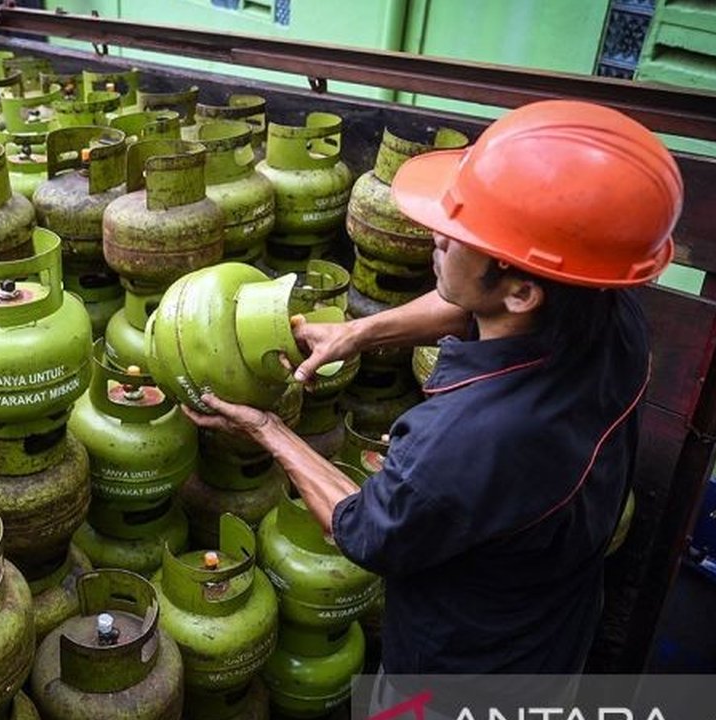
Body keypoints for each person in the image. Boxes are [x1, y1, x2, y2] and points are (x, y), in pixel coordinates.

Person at [183, 100, 684, 680]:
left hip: (469, 666)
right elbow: (470, 307)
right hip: (559, 611)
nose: (436, 237)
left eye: (458, 236)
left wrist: (267, 430)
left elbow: (362, 528)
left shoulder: (465, 441)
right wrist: (356, 333)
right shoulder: (609, 316)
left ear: (522, 293)